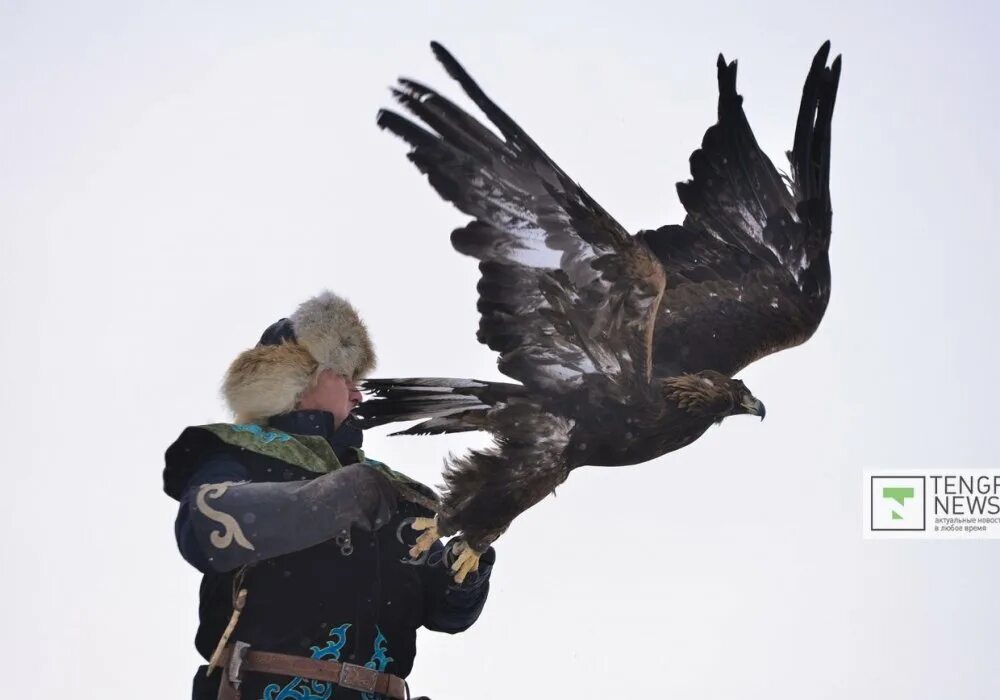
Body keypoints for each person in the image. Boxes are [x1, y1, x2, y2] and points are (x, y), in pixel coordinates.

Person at [163, 291, 494, 700]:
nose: (358, 394)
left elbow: (447, 613)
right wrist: (334, 498)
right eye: (344, 377)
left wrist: (468, 559)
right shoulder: (238, 455)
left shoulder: (391, 491)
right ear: (297, 381)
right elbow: (204, 527)